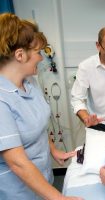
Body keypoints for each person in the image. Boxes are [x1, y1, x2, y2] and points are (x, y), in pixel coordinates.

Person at [0, 13, 82, 200]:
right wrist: (59, 198)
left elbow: (37, 127)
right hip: (16, 190)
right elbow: (17, 162)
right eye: (38, 52)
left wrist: (52, 149)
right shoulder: (2, 100)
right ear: (20, 55)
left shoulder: (30, 83)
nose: (41, 58)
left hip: (42, 180)